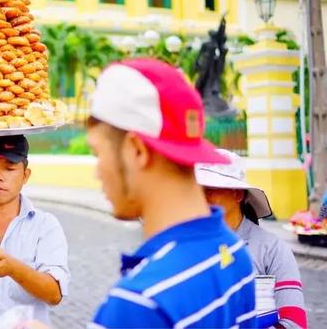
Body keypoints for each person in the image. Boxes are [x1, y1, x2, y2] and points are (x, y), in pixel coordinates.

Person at [86, 58, 256, 328]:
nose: (97, 171)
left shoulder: (139, 303)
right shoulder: (233, 251)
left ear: (137, 150)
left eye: (97, 153)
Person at [0, 135, 69, 328]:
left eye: (9, 167)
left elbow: (54, 294)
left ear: (25, 175)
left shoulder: (45, 226)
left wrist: (13, 269)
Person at [197, 149, 308, 328]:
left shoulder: (272, 248)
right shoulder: (188, 247)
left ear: (237, 194)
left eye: (210, 190)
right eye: (197, 190)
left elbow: (294, 323)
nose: (202, 198)